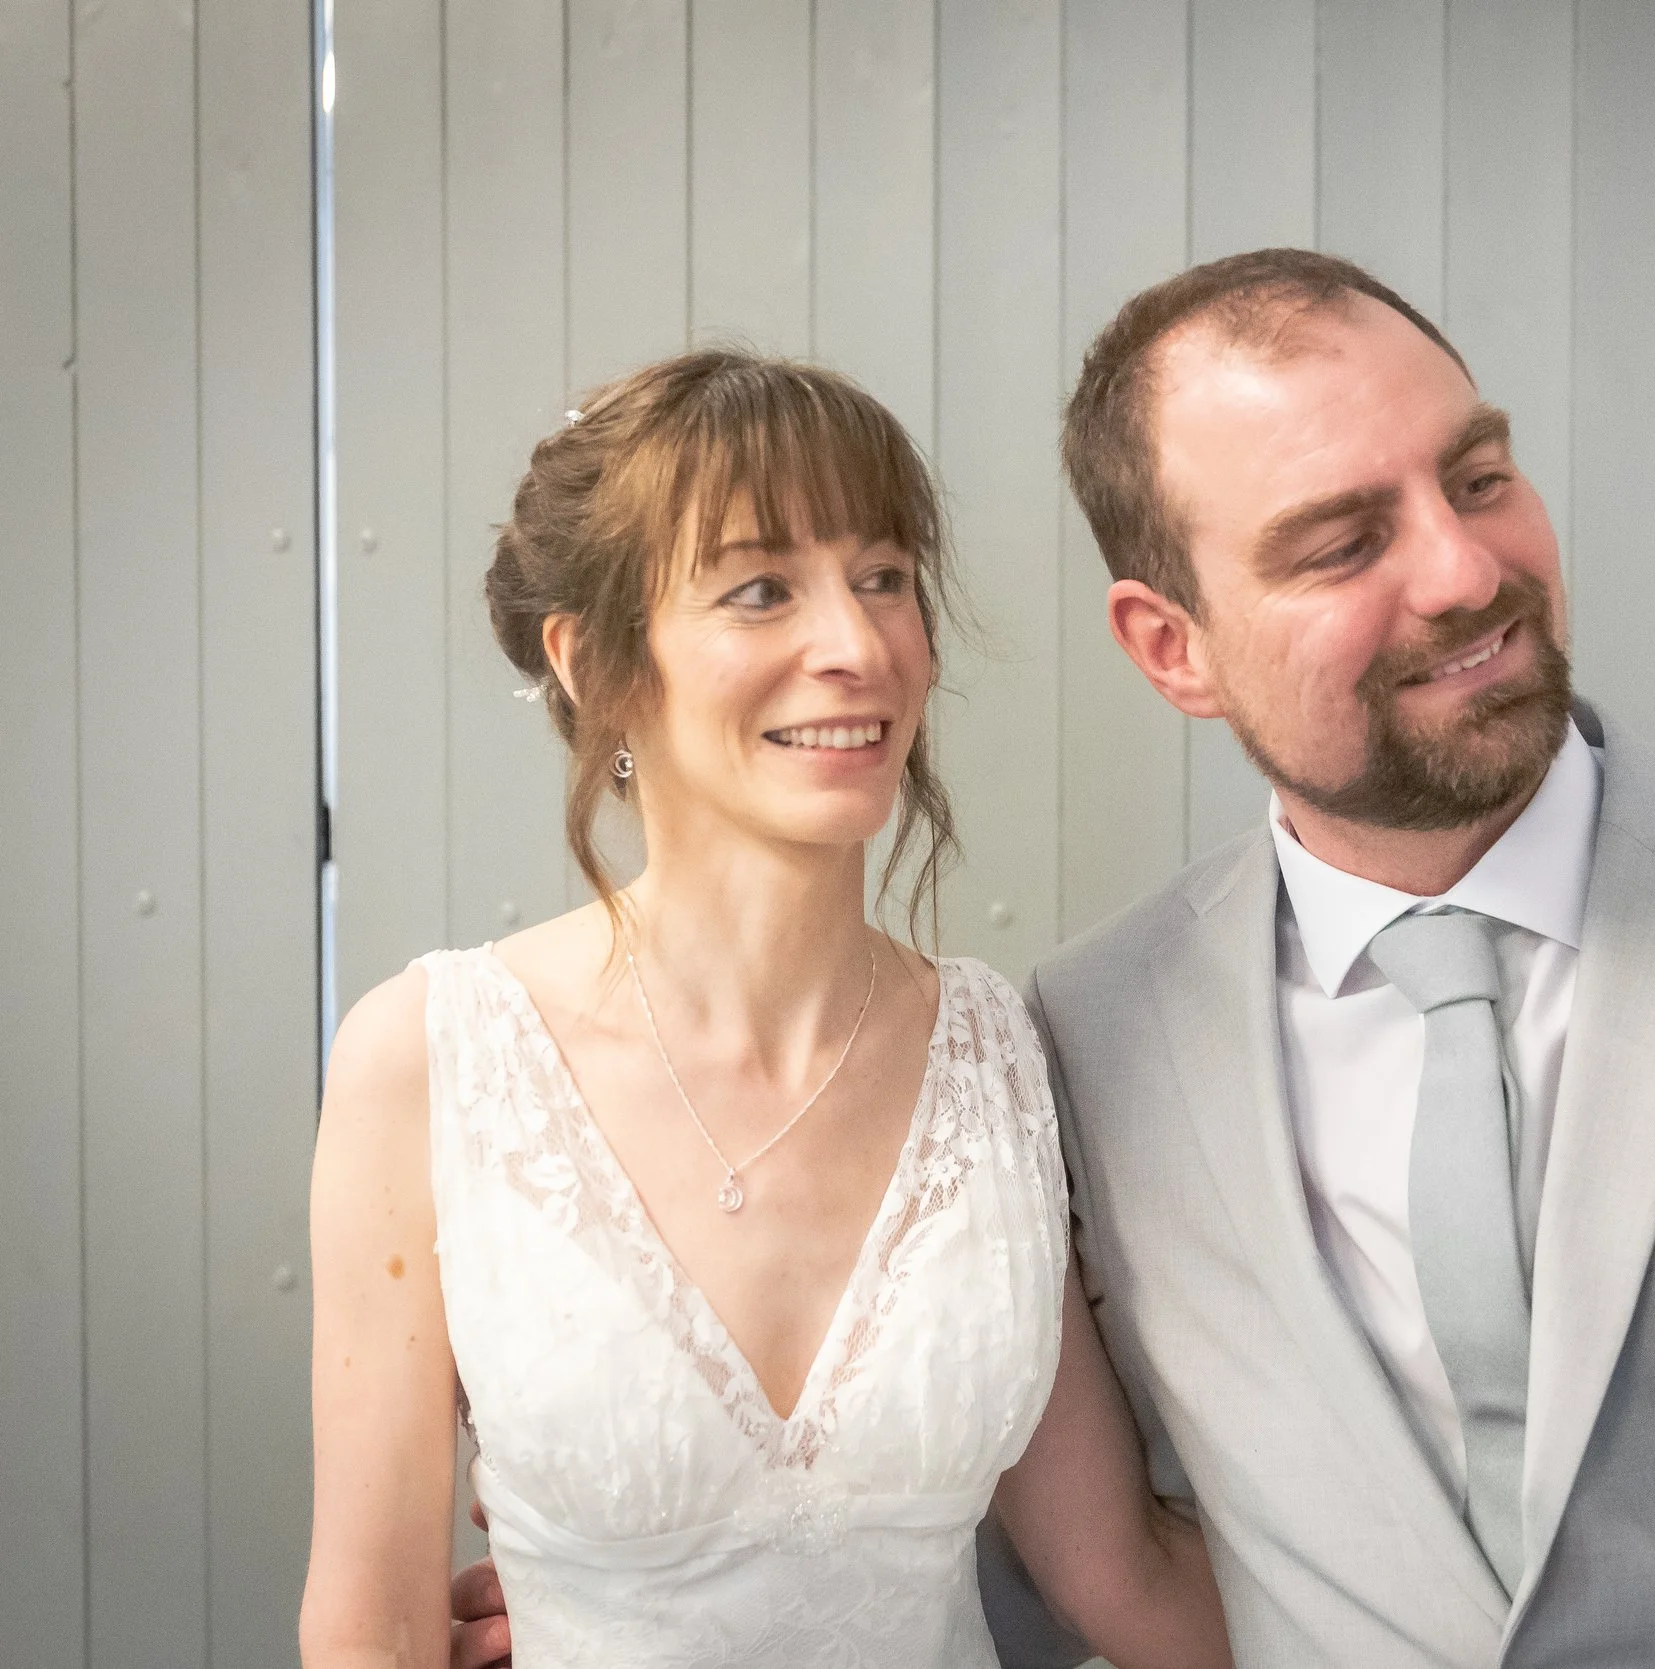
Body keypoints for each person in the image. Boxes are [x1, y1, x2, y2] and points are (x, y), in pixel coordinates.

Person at [451, 254, 1655, 1667]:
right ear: (1173, 646)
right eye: (1345, 541)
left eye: (1480, 476)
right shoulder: (1080, 1041)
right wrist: (683, 1595)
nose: (1465, 570)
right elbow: (1060, 1553)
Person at [300, 351, 1232, 1669]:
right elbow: (374, 1634)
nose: (855, 648)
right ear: (596, 664)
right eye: (759, 590)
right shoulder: (432, 1057)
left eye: (884, 578)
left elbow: (1122, 1577)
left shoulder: (998, 1057)